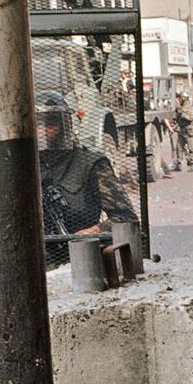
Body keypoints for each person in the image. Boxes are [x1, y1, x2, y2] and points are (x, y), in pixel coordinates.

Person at [36, 92, 138, 264]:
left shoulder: (90, 164)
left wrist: (94, 230)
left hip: (82, 260)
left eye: (50, 124)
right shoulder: (24, 166)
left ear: (64, 125)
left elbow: (126, 217)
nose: (43, 131)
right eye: (38, 124)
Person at [171, 90, 193, 172]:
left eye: (180, 97)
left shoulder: (190, 107)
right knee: (179, 148)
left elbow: (191, 117)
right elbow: (175, 117)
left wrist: (182, 114)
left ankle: (192, 164)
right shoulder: (179, 107)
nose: (179, 99)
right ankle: (178, 163)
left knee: (191, 148)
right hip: (181, 129)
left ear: (184, 98)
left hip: (188, 129)